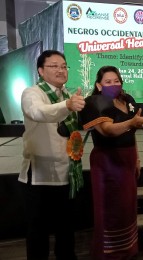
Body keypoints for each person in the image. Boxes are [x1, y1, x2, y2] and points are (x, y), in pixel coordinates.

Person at [19, 50, 85, 260]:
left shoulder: (69, 95)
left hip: (67, 173)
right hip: (40, 175)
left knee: (66, 230)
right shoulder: (32, 93)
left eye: (64, 66)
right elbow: (38, 112)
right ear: (40, 70)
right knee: (38, 233)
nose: (61, 70)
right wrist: (66, 105)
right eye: (54, 66)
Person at [79, 66, 143, 259]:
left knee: (127, 207)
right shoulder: (93, 103)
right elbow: (107, 130)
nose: (113, 84)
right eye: (108, 81)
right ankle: (108, 253)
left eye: (116, 80)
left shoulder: (127, 101)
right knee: (110, 209)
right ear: (99, 85)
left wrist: (138, 157)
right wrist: (131, 123)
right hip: (108, 163)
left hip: (128, 159)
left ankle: (128, 250)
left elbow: (131, 134)